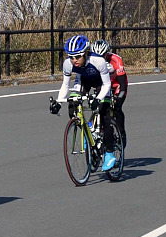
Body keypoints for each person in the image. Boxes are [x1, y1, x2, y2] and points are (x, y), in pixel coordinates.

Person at [49, 35, 116, 171]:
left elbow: (107, 84)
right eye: (71, 57)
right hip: (84, 81)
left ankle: (109, 153)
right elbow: (65, 85)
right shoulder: (68, 64)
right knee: (73, 106)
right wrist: (58, 102)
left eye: (78, 56)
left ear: (85, 53)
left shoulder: (98, 61)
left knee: (104, 113)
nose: (74, 60)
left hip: (101, 84)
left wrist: (98, 99)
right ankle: (87, 129)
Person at [90, 39, 128, 149]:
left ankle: (121, 133)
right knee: (99, 107)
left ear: (107, 53)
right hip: (102, 86)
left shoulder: (116, 60)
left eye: (103, 56)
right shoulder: (91, 61)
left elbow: (122, 83)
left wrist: (119, 96)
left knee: (116, 107)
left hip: (117, 85)